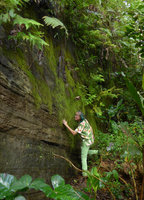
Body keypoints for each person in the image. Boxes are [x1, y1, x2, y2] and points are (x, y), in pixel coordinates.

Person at [63, 111, 98, 177]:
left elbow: (74, 133)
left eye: (77, 115)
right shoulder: (85, 120)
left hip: (86, 141)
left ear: (80, 117)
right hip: (90, 139)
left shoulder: (82, 124)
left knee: (83, 157)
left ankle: (85, 173)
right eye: (75, 115)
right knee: (85, 152)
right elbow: (91, 128)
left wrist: (66, 124)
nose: (75, 116)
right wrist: (91, 135)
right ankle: (97, 152)